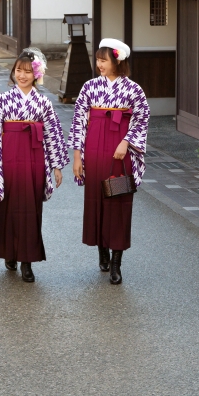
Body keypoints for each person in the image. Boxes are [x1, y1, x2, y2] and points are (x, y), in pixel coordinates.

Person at [0, 49, 66, 283]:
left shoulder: (43, 102)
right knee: (7, 206)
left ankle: (27, 261)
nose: (22, 76)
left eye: (27, 72)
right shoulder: (3, 100)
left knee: (30, 208)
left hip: (35, 157)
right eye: (18, 71)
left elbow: (53, 133)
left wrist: (56, 165)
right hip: (7, 158)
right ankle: (9, 253)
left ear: (36, 74)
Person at [69, 38, 150, 285]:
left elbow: (142, 119)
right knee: (96, 200)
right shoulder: (89, 87)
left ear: (117, 61)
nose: (99, 65)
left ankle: (116, 262)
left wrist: (126, 142)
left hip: (119, 153)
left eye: (104, 60)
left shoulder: (133, 90)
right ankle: (102, 250)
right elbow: (78, 122)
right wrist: (77, 156)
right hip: (93, 150)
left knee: (118, 201)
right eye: (98, 60)